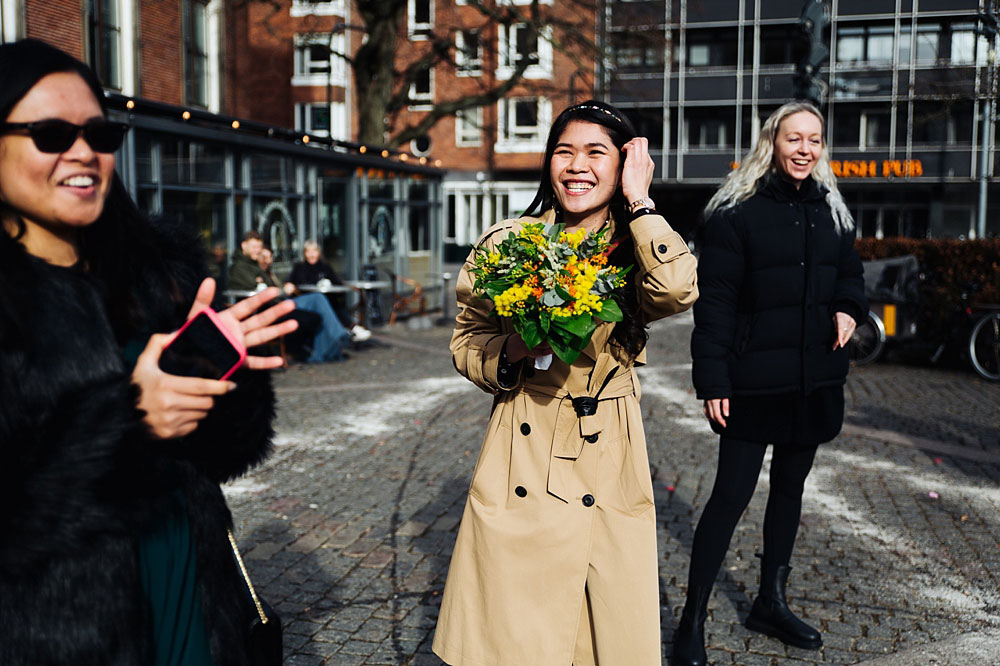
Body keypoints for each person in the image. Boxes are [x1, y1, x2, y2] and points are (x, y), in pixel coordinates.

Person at [0, 39, 297, 664]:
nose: (83, 152)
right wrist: (128, 422)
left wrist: (222, 375)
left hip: (188, 589)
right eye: (51, 133)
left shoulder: (155, 271)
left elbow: (221, 456)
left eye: (99, 132)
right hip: (57, 630)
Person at [432, 100, 698, 666]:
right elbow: (466, 338)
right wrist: (513, 353)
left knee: (602, 635)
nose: (577, 165)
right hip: (522, 445)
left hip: (607, 451)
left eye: (596, 152)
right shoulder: (510, 242)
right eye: (563, 151)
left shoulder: (636, 249)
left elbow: (678, 289)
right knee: (515, 634)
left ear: (624, 163)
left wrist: (641, 202)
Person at [676, 101, 867, 665]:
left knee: (790, 489)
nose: (805, 149)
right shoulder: (737, 212)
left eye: (815, 139)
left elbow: (849, 273)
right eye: (794, 139)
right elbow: (716, 305)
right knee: (730, 497)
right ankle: (691, 621)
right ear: (772, 143)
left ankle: (770, 602)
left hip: (812, 379)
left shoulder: (832, 210)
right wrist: (713, 378)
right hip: (751, 380)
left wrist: (850, 307)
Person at [229, 231, 351, 362]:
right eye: (254, 247)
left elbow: (266, 285)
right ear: (244, 246)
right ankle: (337, 339)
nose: (257, 250)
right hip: (274, 305)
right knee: (317, 307)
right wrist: (280, 289)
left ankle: (332, 344)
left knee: (318, 300)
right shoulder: (240, 267)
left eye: (259, 247)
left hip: (281, 301)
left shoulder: (254, 264)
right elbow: (260, 288)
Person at [283, 239, 371, 342]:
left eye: (314, 251)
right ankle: (346, 331)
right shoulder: (300, 267)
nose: (311, 255)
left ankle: (351, 328)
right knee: (323, 302)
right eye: (308, 251)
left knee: (336, 302)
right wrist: (288, 284)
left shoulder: (324, 267)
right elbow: (291, 281)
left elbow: (336, 280)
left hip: (327, 299)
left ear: (319, 253)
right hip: (308, 301)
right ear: (305, 253)